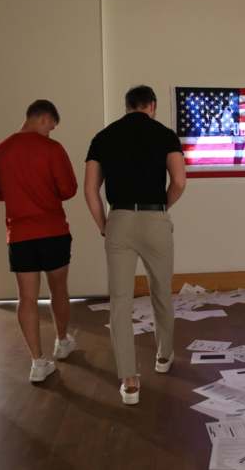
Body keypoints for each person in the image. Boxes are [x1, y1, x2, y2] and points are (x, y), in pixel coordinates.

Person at [84, 85, 187, 405]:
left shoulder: (103, 137)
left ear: (127, 106)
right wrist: (162, 207)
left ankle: (129, 380)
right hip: (155, 219)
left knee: (120, 301)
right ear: (151, 106)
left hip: (120, 220)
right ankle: (164, 356)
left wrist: (104, 224)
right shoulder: (166, 135)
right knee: (161, 293)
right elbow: (180, 181)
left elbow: (90, 189)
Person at [0, 99, 78, 383]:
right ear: (44, 118)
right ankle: (62, 342)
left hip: (20, 235)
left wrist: (17, 196)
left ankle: (38, 361)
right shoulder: (52, 149)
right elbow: (69, 189)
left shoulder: (0, 151)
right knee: (59, 289)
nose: (51, 131)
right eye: (51, 125)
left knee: (26, 298)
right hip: (53, 231)